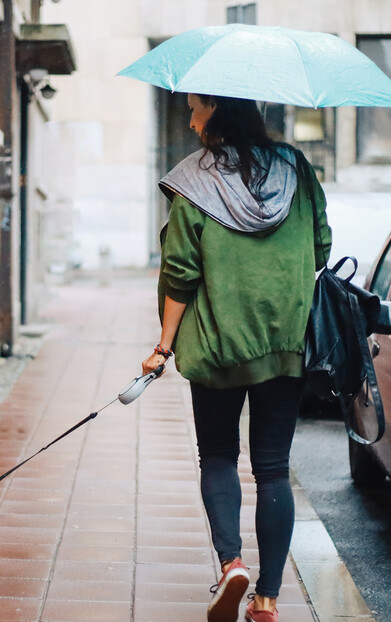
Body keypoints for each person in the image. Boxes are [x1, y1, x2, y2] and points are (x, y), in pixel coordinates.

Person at [141, 93, 331, 622]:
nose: (190, 117)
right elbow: (321, 245)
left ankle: (231, 565)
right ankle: (267, 599)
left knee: (219, 457)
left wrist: (162, 346)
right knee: (273, 470)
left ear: (218, 112)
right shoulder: (297, 170)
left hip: (218, 342)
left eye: (197, 108)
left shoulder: (193, 181)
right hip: (285, 341)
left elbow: (180, 271)